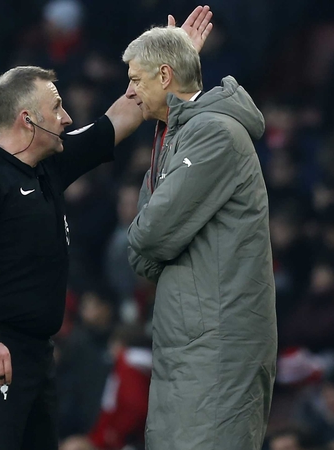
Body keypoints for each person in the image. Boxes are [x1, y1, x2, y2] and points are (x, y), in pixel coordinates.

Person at [0, 8, 213, 450]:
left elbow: (121, 116)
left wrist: (171, 60)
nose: (67, 117)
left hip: (36, 352)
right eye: (57, 108)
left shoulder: (49, 166)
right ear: (28, 120)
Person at [123, 25, 277, 450]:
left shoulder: (213, 132)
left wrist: (151, 242)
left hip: (218, 341)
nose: (131, 91)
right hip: (191, 338)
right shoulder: (175, 136)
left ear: (165, 76)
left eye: (136, 79)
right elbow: (142, 247)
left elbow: (149, 237)